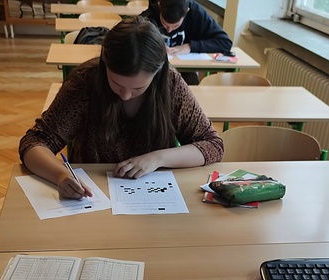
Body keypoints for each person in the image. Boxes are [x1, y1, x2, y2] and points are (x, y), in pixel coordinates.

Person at [19, 17, 224, 200]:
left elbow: (213, 145)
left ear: (157, 73)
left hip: (152, 198)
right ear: (105, 65)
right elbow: (34, 142)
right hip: (93, 195)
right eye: (116, 84)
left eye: (138, 88)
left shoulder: (171, 85)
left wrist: (158, 158)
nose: (125, 95)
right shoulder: (84, 83)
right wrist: (61, 175)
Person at [141, 0, 232, 84]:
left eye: (175, 26)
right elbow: (135, 41)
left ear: (187, 11)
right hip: (156, 71)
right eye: (165, 24)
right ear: (159, 6)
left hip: (185, 72)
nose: (169, 30)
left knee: (191, 81)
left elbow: (225, 42)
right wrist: (154, 45)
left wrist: (190, 46)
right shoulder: (149, 16)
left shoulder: (196, 12)